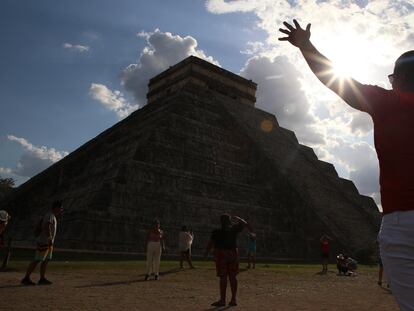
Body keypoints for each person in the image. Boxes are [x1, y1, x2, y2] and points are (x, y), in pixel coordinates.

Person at [279, 19, 414, 310]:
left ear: (399, 79)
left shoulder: (386, 101)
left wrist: (305, 45)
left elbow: (336, 81)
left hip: (401, 223)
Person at [204, 214, 252, 307]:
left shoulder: (216, 232)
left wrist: (206, 254)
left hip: (221, 254)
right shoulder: (234, 229)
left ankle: (222, 300)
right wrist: (238, 218)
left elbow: (210, 243)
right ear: (229, 221)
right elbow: (246, 225)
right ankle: (233, 299)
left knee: (223, 277)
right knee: (233, 277)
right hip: (233, 254)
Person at [21, 200, 63, 285]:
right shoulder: (50, 215)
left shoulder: (52, 216)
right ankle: (26, 278)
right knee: (37, 259)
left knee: (45, 260)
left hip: (48, 242)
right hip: (44, 242)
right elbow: (46, 226)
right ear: (56, 208)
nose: (61, 210)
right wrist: (49, 238)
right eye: (60, 208)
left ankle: (42, 278)